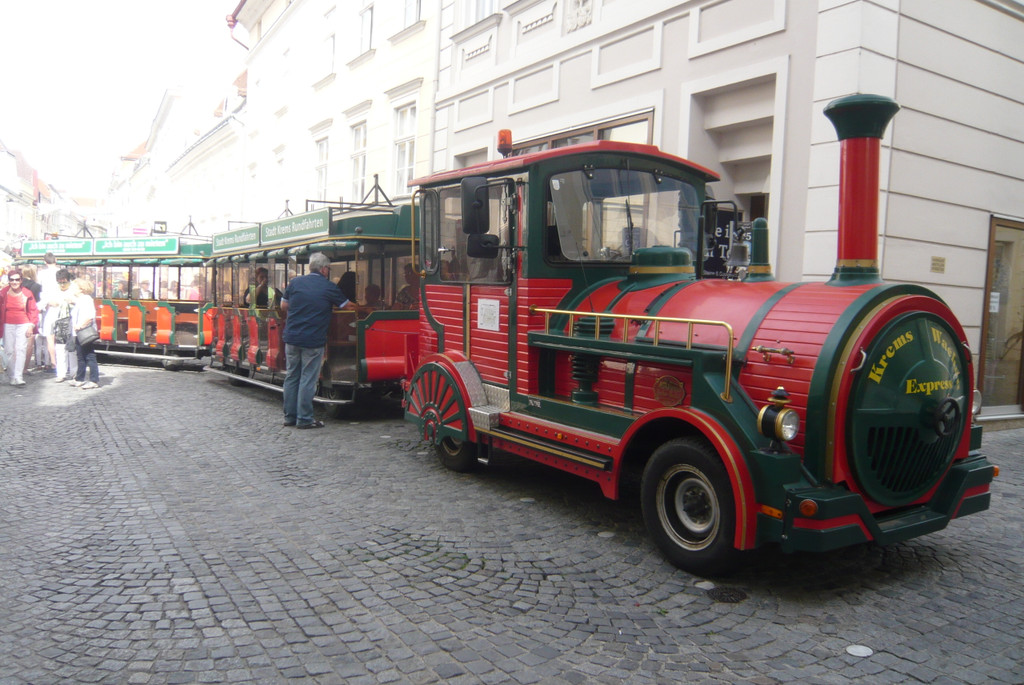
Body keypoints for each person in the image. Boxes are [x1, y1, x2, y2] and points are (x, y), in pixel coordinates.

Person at [280, 252, 349, 429]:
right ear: (324, 269)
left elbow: (284, 305)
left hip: (292, 337)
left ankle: (289, 417)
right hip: (312, 339)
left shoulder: (295, 282)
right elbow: (347, 306)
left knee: (291, 376)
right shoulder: (328, 286)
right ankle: (304, 419)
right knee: (307, 379)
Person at [0, 268, 40, 387]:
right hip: (7, 323)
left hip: (23, 322)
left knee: (21, 349)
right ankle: (12, 375)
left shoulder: (27, 293)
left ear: (21, 280)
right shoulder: (3, 293)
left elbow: (33, 310)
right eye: (12, 280)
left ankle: (18, 376)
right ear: (9, 281)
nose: (14, 282)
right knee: (9, 350)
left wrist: (31, 326)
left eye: (17, 279)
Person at [70, 278, 100, 389]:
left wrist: (80, 326)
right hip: (79, 332)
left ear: (81, 289)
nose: (72, 288)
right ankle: (79, 378)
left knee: (89, 356)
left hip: (84, 331)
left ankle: (94, 379)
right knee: (80, 356)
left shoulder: (86, 299)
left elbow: (90, 317)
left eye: (74, 286)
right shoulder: (80, 299)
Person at [51, 269, 79, 383]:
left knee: (72, 349)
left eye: (64, 282)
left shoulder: (75, 289)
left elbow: (80, 302)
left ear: (69, 280)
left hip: (72, 321)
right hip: (59, 322)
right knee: (60, 348)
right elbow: (49, 301)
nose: (62, 284)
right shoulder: (55, 290)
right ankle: (61, 373)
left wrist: (73, 301)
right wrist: (51, 302)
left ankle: (74, 372)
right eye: (60, 282)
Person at [38, 252, 60, 370]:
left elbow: (40, 292)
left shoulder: (42, 274)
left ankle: (53, 363)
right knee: (61, 338)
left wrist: (42, 305)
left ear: (44, 262)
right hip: (62, 307)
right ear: (56, 260)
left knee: (50, 338)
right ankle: (63, 363)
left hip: (49, 307)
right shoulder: (61, 272)